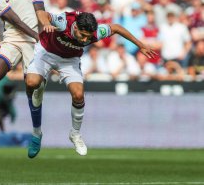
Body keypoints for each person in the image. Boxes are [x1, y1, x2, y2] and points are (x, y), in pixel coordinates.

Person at [25, 11, 157, 158]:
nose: (85, 39)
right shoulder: (64, 22)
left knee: (78, 95)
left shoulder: (96, 32)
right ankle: (37, 133)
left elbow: (117, 28)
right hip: (46, 52)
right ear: (75, 28)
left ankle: (75, 134)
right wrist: (47, 24)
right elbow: (42, 13)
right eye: (83, 35)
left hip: (69, 60)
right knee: (32, 82)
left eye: (89, 36)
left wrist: (140, 45)